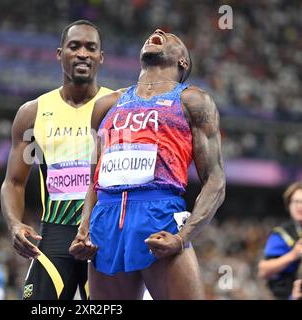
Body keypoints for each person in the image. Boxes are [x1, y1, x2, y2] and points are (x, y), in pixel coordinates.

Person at [70, 28, 226, 300]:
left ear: (183, 62)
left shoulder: (193, 100)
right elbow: (95, 178)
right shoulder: (106, 105)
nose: (158, 31)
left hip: (159, 213)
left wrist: (182, 237)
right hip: (105, 221)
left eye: (171, 37)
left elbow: (215, 180)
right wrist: (83, 229)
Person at [0, 20, 111, 300]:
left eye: (91, 48)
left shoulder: (119, 106)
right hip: (55, 235)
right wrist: (15, 223)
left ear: (101, 57)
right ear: (60, 54)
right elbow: (13, 182)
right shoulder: (33, 112)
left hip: (104, 233)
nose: (83, 53)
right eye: (74, 46)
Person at [258, 181, 302, 299]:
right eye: (296, 202)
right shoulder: (280, 235)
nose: (300, 206)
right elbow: (263, 270)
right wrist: (293, 255)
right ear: (289, 205)